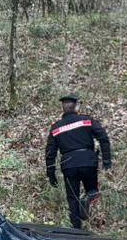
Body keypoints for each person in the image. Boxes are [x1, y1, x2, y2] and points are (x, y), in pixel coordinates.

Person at [45, 93, 112, 228]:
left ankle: (77, 230)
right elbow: (103, 138)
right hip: (88, 162)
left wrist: (51, 174)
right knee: (92, 191)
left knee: (72, 198)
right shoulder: (86, 121)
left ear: (63, 109)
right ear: (76, 107)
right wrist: (106, 161)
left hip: (69, 165)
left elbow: (50, 153)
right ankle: (91, 216)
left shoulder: (56, 128)